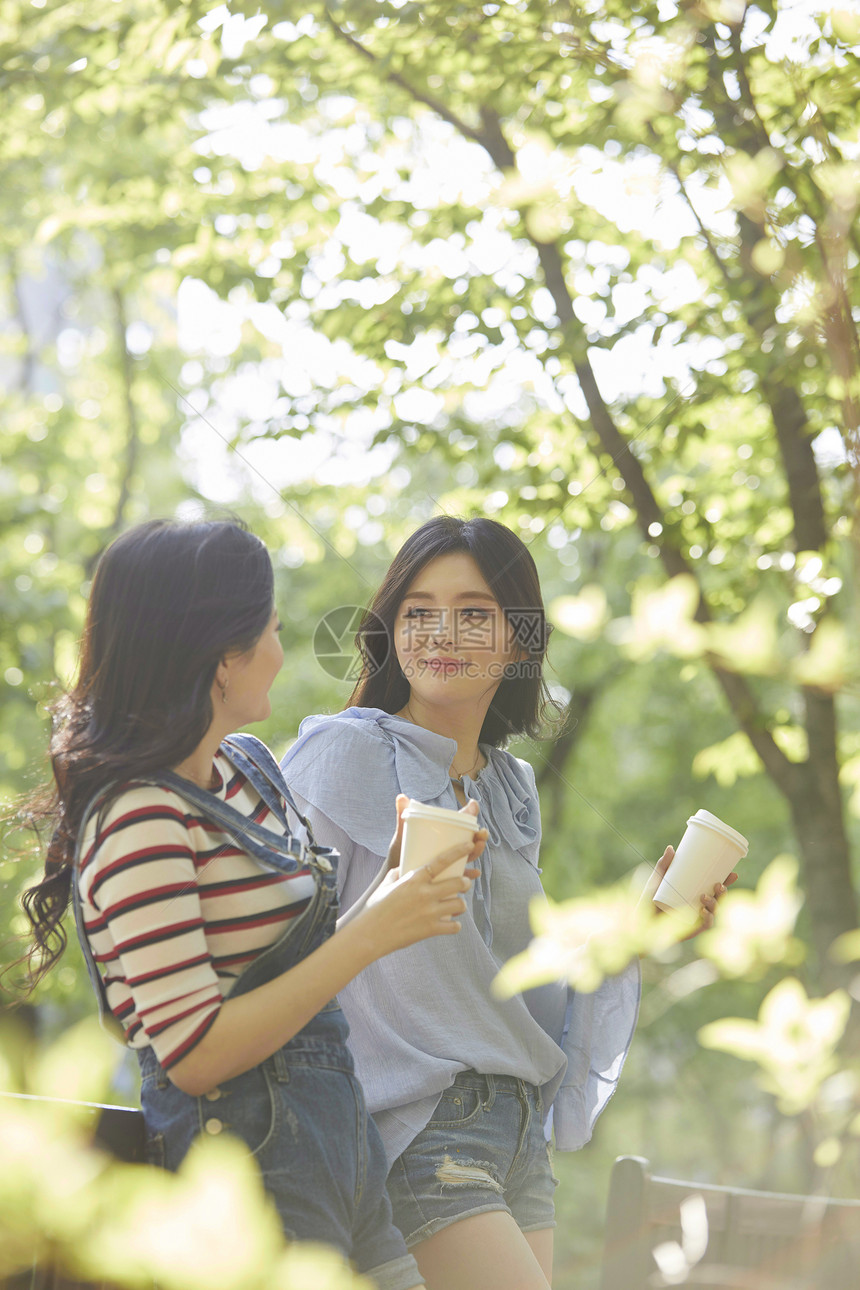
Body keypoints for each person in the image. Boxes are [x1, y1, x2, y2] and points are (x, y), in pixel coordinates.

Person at [16, 517, 489, 1290]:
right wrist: (372, 932)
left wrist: (398, 883)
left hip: (342, 1148)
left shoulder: (247, 768)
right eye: (268, 628)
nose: (280, 645)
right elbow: (195, 1054)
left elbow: (283, 966)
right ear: (220, 656)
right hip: (248, 1172)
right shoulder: (139, 815)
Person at [281, 516, 732, 1290]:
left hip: (518, 1132)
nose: (440, 631)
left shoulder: (512, 787)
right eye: (417, 611)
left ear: (519, 640)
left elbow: (517, 984)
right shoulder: (344, 752)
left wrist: (639, 930)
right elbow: (274, 944)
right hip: (417, 1125)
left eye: (473, 612)